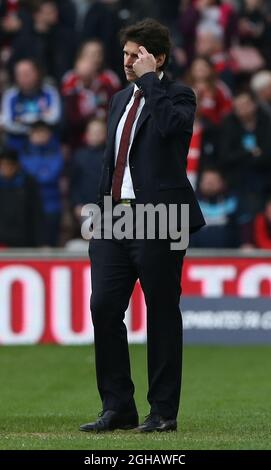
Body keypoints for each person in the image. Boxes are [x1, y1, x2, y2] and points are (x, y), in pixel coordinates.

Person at [80, 18, 205, 434]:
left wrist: (151, 81)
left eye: (137, 55)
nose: (128, 61)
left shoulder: (179, 94)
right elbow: (110, 162)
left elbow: (173, 128)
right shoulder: (118, 100)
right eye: (126, 54)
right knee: (103, 307)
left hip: (161, 218)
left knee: (162, 312)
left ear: (158, 58)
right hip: (115, 218)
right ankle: (118, 407)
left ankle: (163, 412)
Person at [0, 147, 42, 247]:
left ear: (16, 166)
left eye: (8, 165)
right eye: (2, 165)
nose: (5, 168)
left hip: (24, 238)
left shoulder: (28, 183)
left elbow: (36, 213)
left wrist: (41, 241)